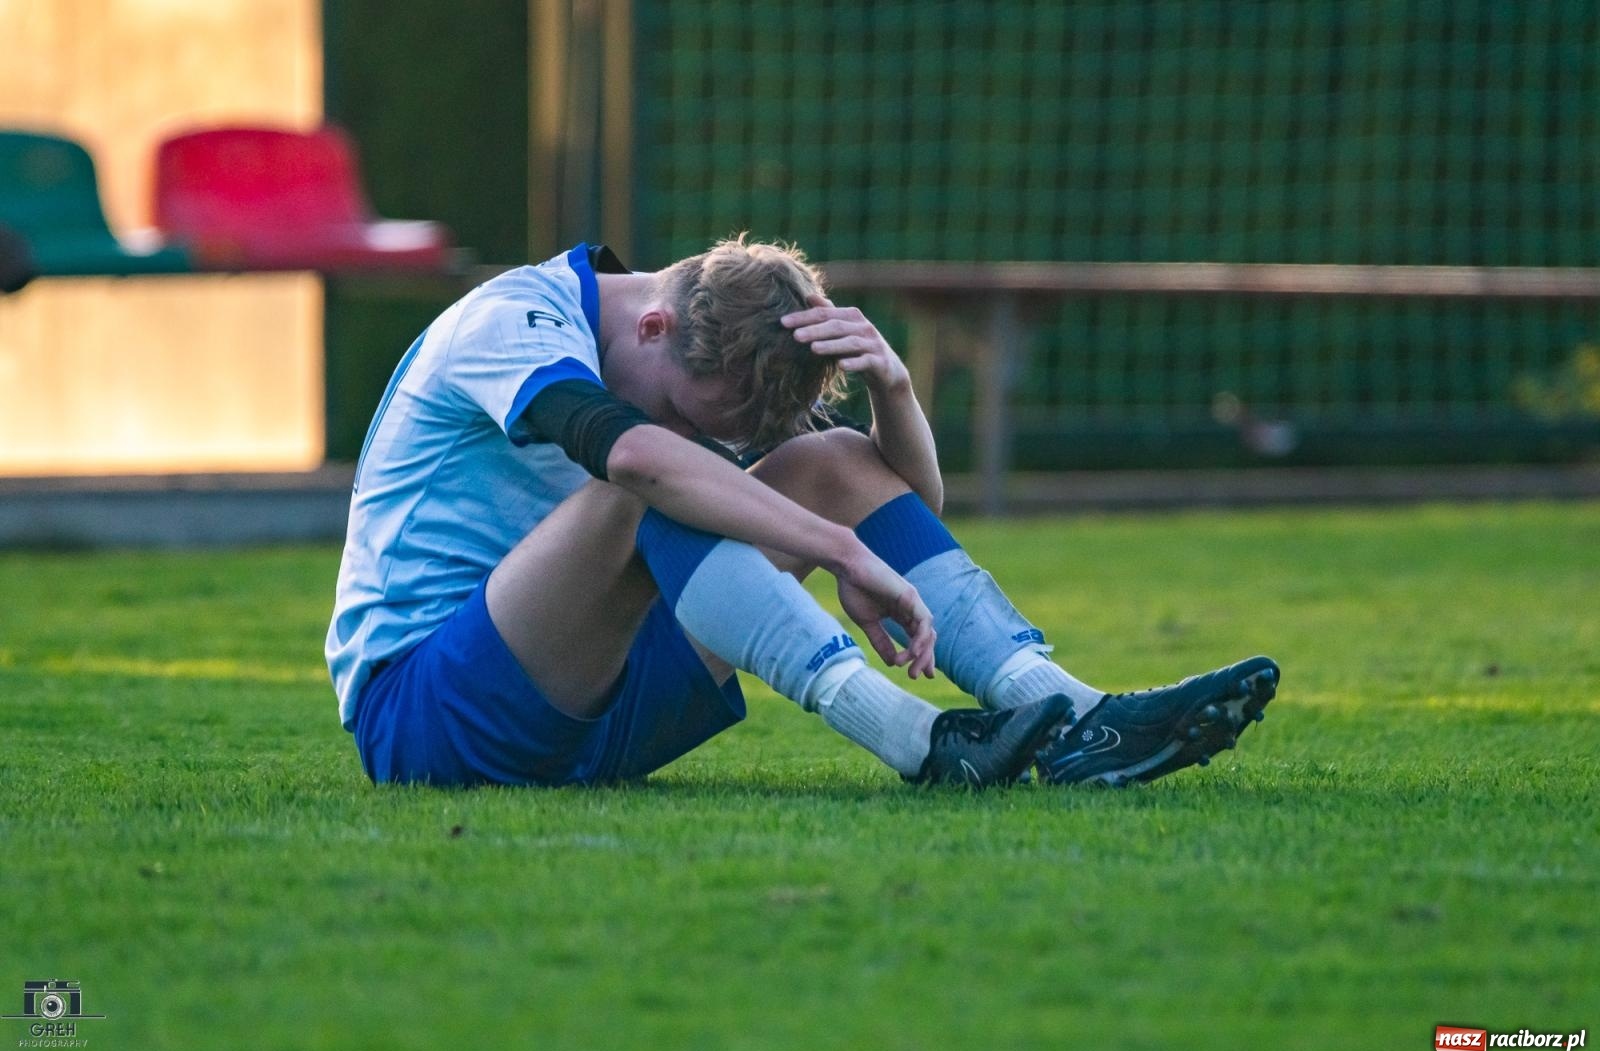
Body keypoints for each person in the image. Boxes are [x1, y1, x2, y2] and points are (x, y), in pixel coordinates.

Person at [326, 236, 1279, 790]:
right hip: (427, 715)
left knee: (829, 460)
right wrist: (834, 552)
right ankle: (920, 742)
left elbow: (904, 508)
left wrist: (894, 389)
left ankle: (1075, 718)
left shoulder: (686, 341)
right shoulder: (509, 321)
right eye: (687, 412)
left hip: (597, 709)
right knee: (648, 480)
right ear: (652, 325)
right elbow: (639, 460)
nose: (690, 433)